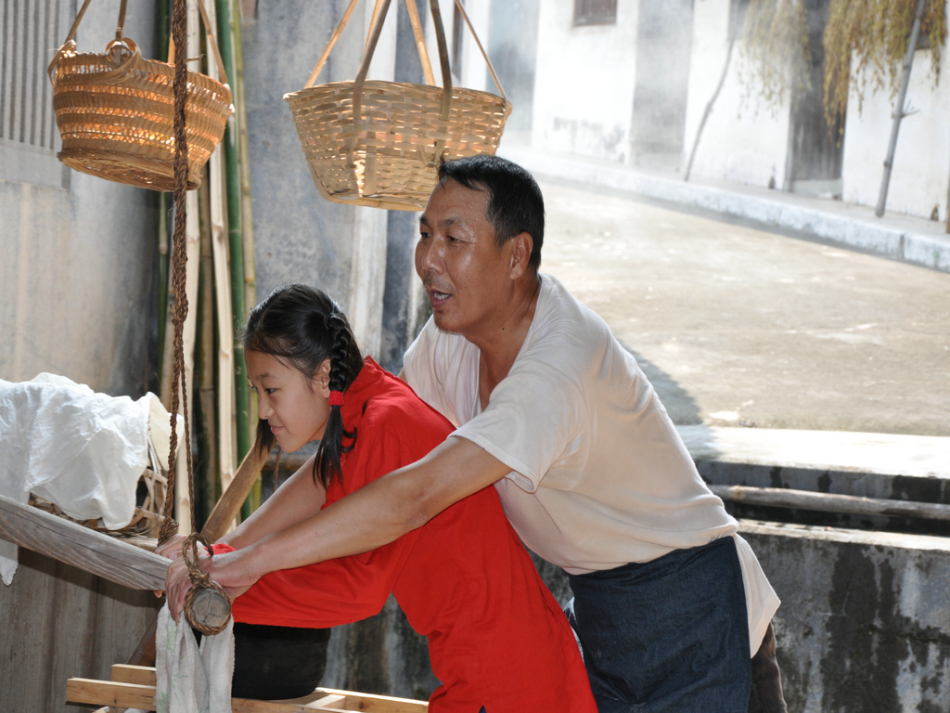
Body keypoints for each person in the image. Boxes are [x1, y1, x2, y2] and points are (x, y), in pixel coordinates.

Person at [168, 156, 787, 712]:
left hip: (691, 602)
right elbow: (358, 461)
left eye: (454, 239)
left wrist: (247, 564)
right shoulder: (448, 342)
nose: (428, 258)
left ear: (516, 256)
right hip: (603, 608)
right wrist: (221, 554)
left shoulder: (558, 365)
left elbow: (411, 496)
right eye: (424, 234)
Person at [163, 284, 598, 712]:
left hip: (508, 680)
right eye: (256, 392)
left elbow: (355, 588)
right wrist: (218, 555)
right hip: (504, 663)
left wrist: (228, 578)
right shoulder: (366, 409)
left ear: (321, 373)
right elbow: (319, 482)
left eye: (271, 389)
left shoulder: (385, 423)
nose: (261, 409)